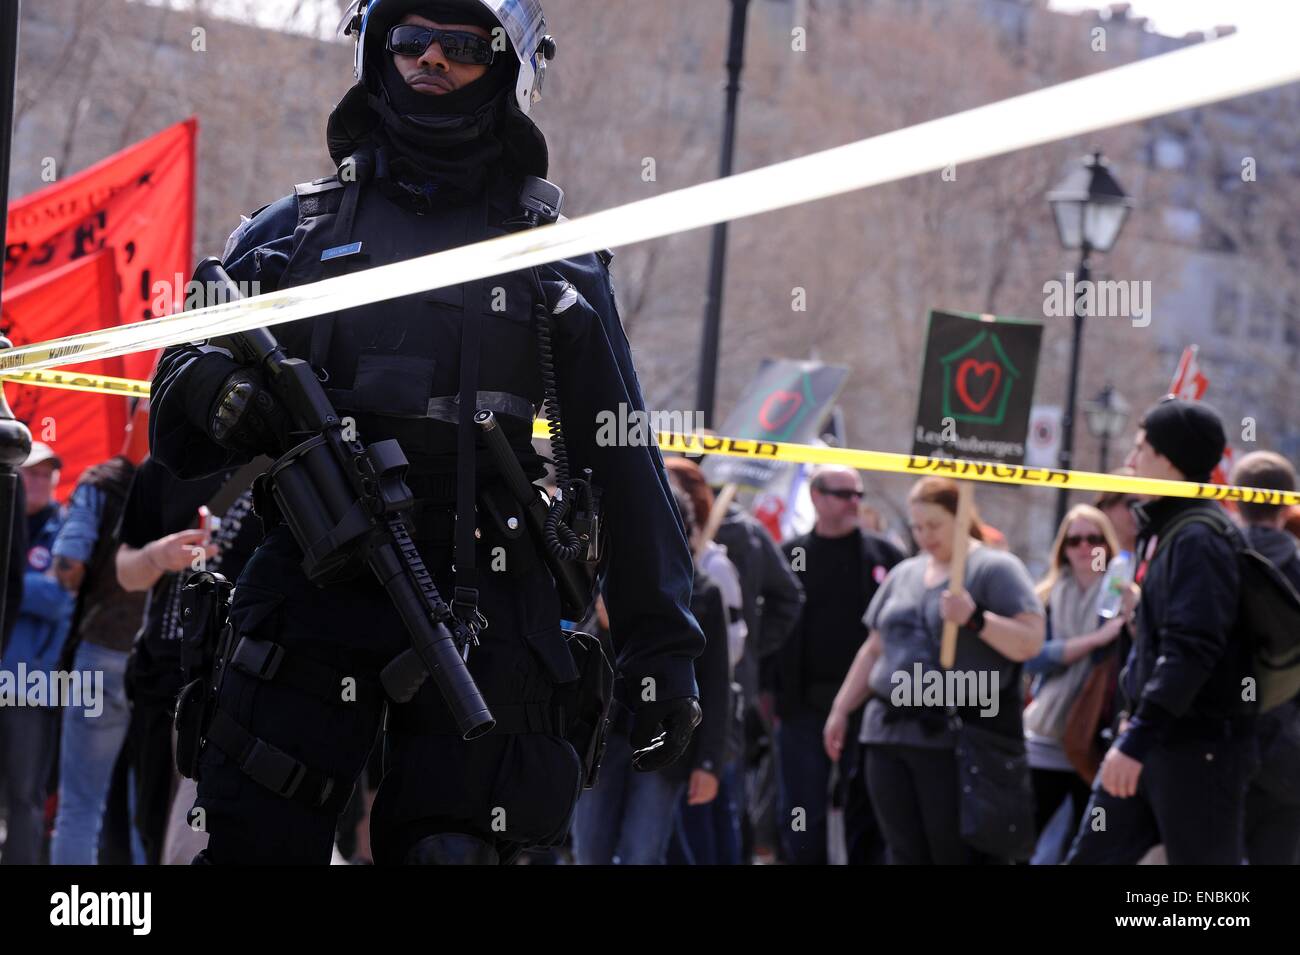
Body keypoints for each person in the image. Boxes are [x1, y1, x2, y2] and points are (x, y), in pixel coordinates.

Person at [147, 0, 703, 864]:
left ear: (508, 65)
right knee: (256, 841)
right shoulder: (287, 234)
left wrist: (662, 647)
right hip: (310, 570)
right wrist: (213, 390)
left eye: (461, 45)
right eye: (411, 40)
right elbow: (171, 423)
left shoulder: (556, 259)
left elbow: (622, 455)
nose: (430, 60)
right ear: (378, 49)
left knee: (464, 848)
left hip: (486, 586)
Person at [1067, 398, 1256, 865]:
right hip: (1155, 741)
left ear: (1168, 461)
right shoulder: (1172, 530)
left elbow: (1191, 650)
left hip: (1193, 750)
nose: (1130, 463)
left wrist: (1137, 738)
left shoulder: (1199, 537)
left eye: (1140, 450)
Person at [825, 477, 1044, 864]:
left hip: (952, 739)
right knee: (902, 851)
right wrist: (841, 709)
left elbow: (1030, 640)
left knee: (950, 853)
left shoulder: (994, 568)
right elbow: (874, 648)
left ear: (960, 519)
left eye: (934, 525)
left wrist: (976, 619)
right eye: (917, 526)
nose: (924, 535)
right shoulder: (904, 573)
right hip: (887, 733)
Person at [572, 487, 730, 865]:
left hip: (666, 745)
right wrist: (603, 626)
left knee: (642, 853)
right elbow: (579, 661)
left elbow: (716, 684)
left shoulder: (703, 593)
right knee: (589, 849)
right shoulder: (600, 584)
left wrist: (709, 763)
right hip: (601, 744)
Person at [776, 465, 904, 865]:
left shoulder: (885, 556)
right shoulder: (790, 554)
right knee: (801, 811)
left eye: (858, 494)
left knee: (864, 810)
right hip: (801, 708)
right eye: (843, 494)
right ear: (816, 497)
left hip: (868, 707)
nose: (854, 502)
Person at [47, 409, 151, 865]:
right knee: (147, 811)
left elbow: (69, 565)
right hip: (158, 661)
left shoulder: (101, 481)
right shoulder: (184, 486)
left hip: (99, 655)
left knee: (80, 807)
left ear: (130, 423)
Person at [1022, 504, 1131, 861]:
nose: (1085, 548)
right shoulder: (1048, 596)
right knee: (1025, 839)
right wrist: (1093, 642)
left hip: (1095, 739)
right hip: (1047, 734)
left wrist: (1130, 616)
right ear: (1063, 549)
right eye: (1075, 540)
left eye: (1094, 539)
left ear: (1108, 545)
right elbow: (1033, 656)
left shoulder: (1120, 595)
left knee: (1090, 846)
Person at [0, 443, 75, 864]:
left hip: (31, 686)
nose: (39, 481)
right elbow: (45, 590)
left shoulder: (64, 530)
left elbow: (60, 599)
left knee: (25, 795)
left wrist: (10, 585)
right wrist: (32, 585)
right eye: (31, 473)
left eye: (47, 474)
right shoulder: (4, 520)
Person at [1229, 451, 1300, 865]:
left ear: (1235, 500)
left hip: (1220, 744)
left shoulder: (1214, 561)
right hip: (1289, 749)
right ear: (1289, 504)